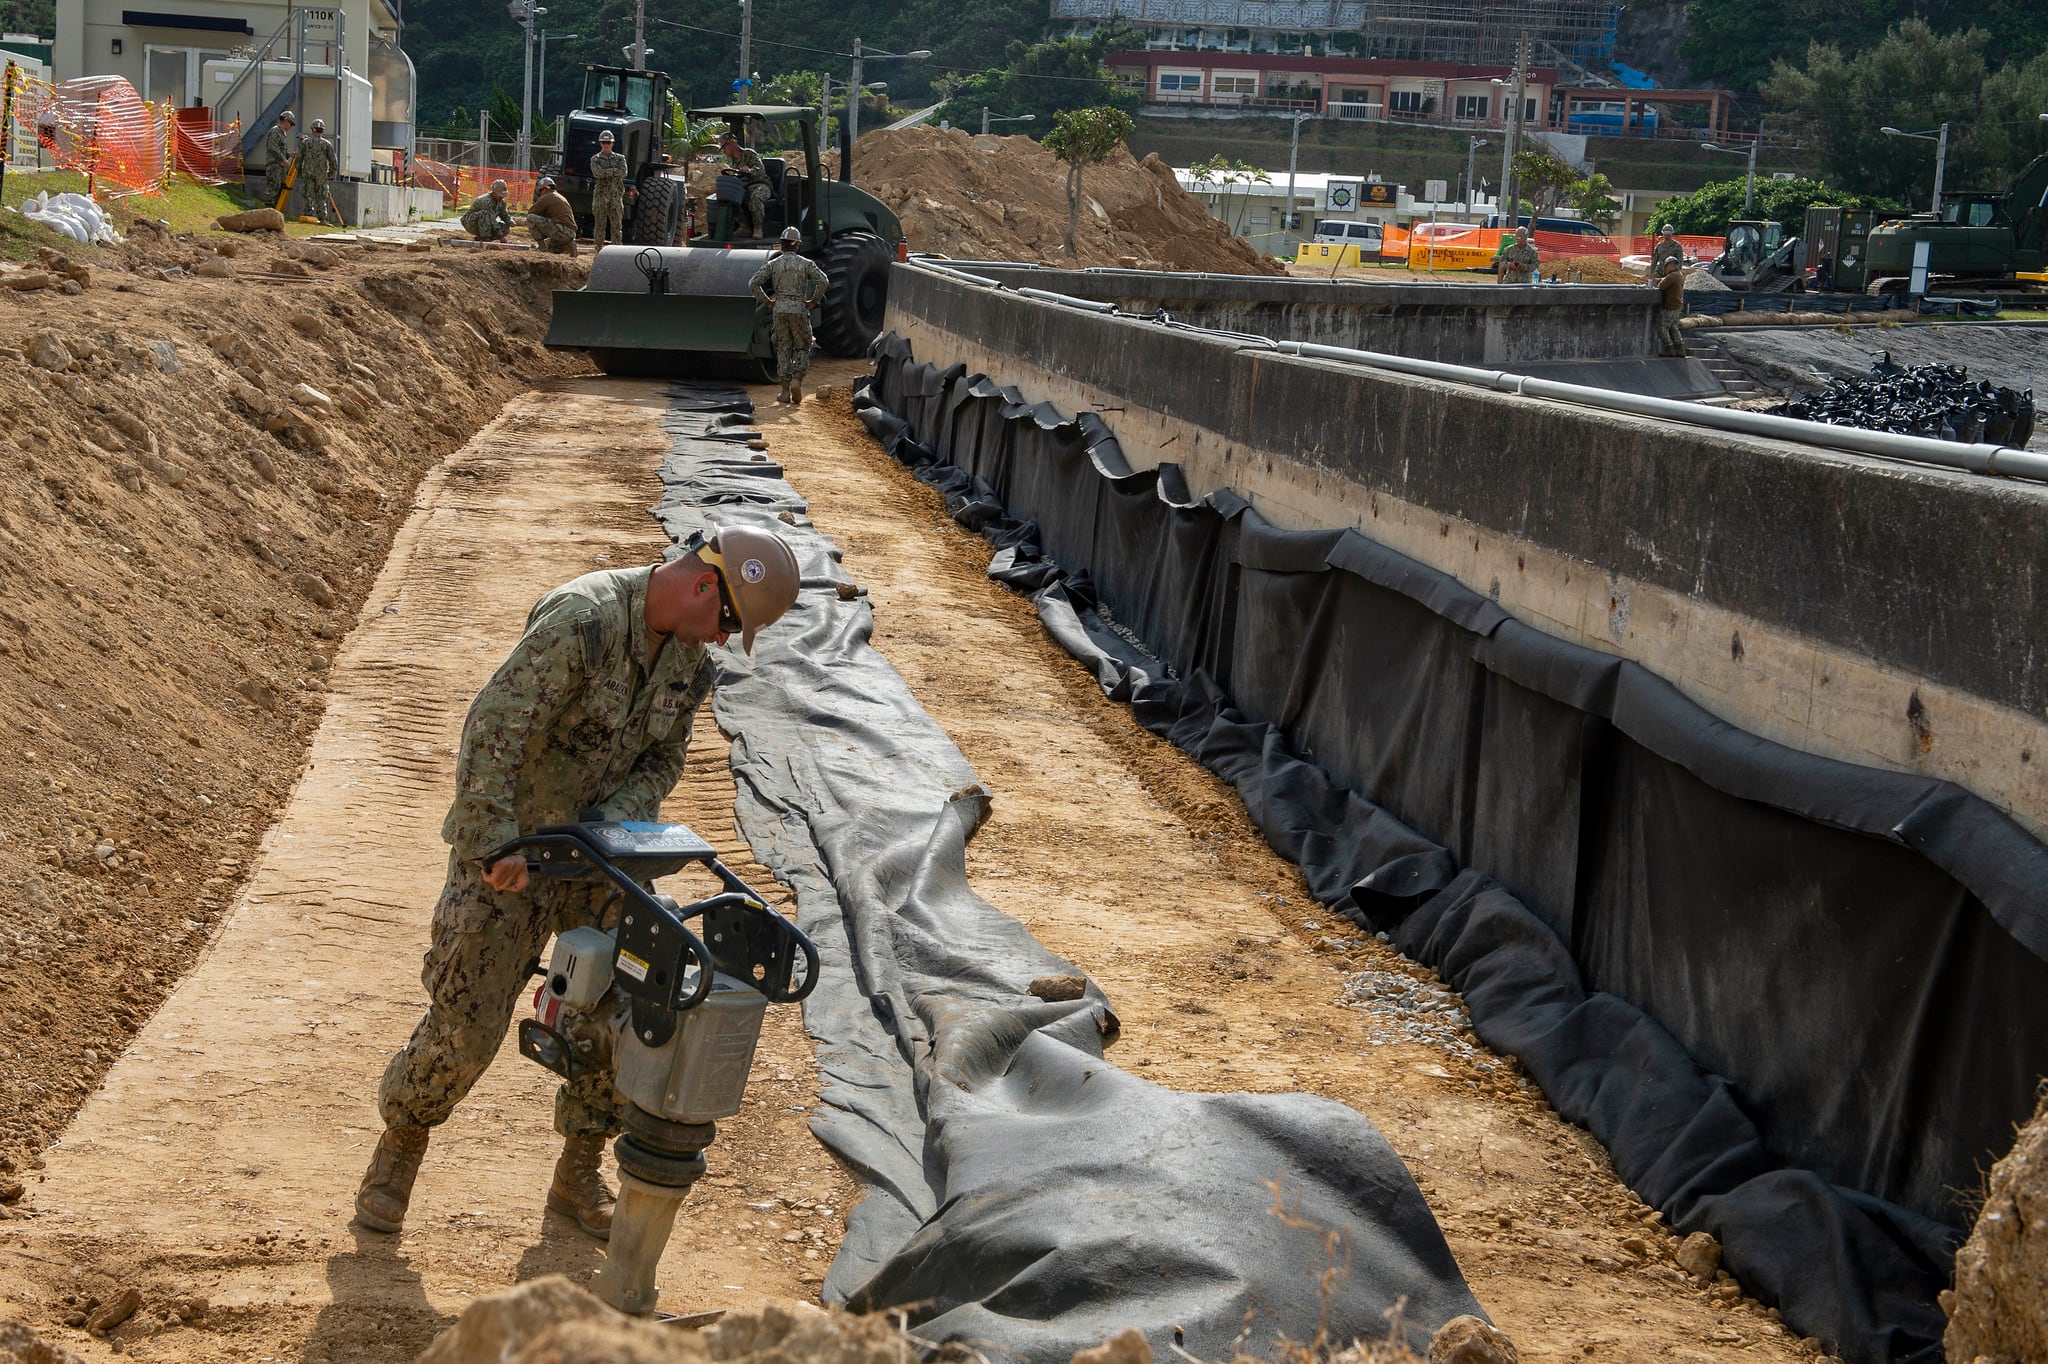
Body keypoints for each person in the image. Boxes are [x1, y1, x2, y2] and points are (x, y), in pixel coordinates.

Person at [354, 527, 804, 1240]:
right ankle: (401, 1146)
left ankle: (577, 1171)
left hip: (595, 858)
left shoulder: (689, 669)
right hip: (517, 852)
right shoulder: (584, 619)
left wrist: (611, 826)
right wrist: (494, 845)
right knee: (467, 1024)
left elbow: (662, 761)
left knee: (631, 1003)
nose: (722, 640)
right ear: (702, 583)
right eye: (726, 622)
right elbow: (492, 732)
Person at [750, 227, 829, 404]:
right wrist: (813, 300)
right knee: (803, 345)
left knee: (783, 347)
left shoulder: (773, 264)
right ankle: (797, 379)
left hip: (779, 310)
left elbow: (753, 283)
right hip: (800, 308)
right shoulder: (805, 263)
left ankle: (785, 391)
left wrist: (767, 301)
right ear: (797, 245)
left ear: (782, 244)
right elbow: (823, 281)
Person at [721, 134, 771, 239]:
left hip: (761, 184)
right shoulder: (734, 162)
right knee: (731, 198)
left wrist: (749, 170)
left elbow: (760, 170)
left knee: (756, 197)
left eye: (724, 147)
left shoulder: (749, 153)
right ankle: (744, 227)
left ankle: (758, 228)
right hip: (746, 188)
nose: (723, 151)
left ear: (732, 143)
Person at [590, 129, 628, 248]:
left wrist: (605, 171)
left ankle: (617, 250)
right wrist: (613, 170)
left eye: (608, 143)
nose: (606, 145)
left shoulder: (620, 158)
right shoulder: (595, 159)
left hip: (615, 195)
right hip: (600, 196)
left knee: (616, 225)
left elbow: (623, 173)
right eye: (603, 142)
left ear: (612, 143)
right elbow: (597, 173)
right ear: (600, 143)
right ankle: (598, 249)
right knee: (600, 224)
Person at [298, 116, 338, 225]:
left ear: (312, 129)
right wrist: (330, 173)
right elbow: (333, 161)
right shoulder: (327, 144)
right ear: (323, 131)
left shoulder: (305, 143)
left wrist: (300, 171)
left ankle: (308, 216)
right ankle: (322, 219)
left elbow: (299, 159)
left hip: (308, 174)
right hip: (322, 175)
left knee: (308, 195)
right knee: (321, 197)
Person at [526, 176, 579, 255]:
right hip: (570, 234)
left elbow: (531, 213)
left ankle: (542, 247)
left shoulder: (547, 197)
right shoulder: (560, 197)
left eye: (540, 191)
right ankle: (569, 245)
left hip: (561, 231)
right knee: (550, 245)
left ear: (544, 189)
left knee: (530, 218)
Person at [262, 110, 296, 210]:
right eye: (291, 123)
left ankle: (275, 212)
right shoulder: (275, 131)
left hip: (280, 167)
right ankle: (268, 211)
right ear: (286, 120)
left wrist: (289, 154)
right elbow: (273, 148)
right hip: (274, 165)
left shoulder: (282, 134)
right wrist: (284, 160)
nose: (291, 126)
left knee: (279, 189)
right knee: (273, 188)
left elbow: (281, 150)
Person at [1655, 262, 1688, 357]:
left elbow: (1661, 286)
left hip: (1670, 306)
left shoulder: (1672, 276)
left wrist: (1658, 281)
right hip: (1677, 306)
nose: (1666, 269)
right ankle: (1680, 349)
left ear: (1671, 266)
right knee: (1674, 327)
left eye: (1666, 266)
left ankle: (1668, 348)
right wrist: (1662, 279)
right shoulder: (1679, 274)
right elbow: (1667, 281)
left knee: (1662, 327)